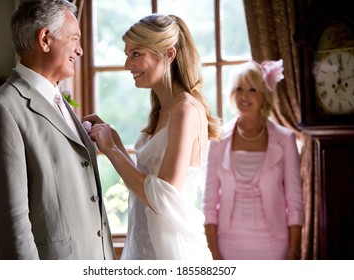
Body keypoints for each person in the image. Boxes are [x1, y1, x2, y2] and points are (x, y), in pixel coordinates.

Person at [0, 0, 115, 260]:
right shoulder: (2, 109)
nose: (80, 50)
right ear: (45, 39)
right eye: (74, 39)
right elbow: (10, 225)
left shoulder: (61, 101)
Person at [83, 14, 221, 260]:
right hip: (146, 243)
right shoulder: (162, 109)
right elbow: (142, 185)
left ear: (168, 54)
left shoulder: (185, 110)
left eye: (136, 54)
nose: (127, 65)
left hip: (173, 251)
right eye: (127, 54)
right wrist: (113, 140)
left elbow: (162, 195)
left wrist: (112, 151)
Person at [202, 59, 304, 260]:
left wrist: (294, 250)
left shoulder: (285, 139)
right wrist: (213, 250)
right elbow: (209, 201)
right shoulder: (217, 140)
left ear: (263, 95)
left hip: (274, 242)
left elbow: (294, 201)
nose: (244, 96)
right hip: (228, 242)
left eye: (252, 90)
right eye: (239, 89)